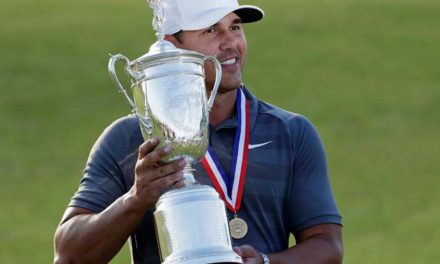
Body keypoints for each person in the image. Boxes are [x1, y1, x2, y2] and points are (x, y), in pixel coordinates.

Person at [54, 0, 343, 263]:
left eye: (235, 27)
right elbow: (69, 255)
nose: (231, 42)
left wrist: (266, 262)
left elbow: (328, 247)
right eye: (211, 31)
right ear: (172, 45)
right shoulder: (129, 139)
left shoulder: (290, 132)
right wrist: (136, 199)